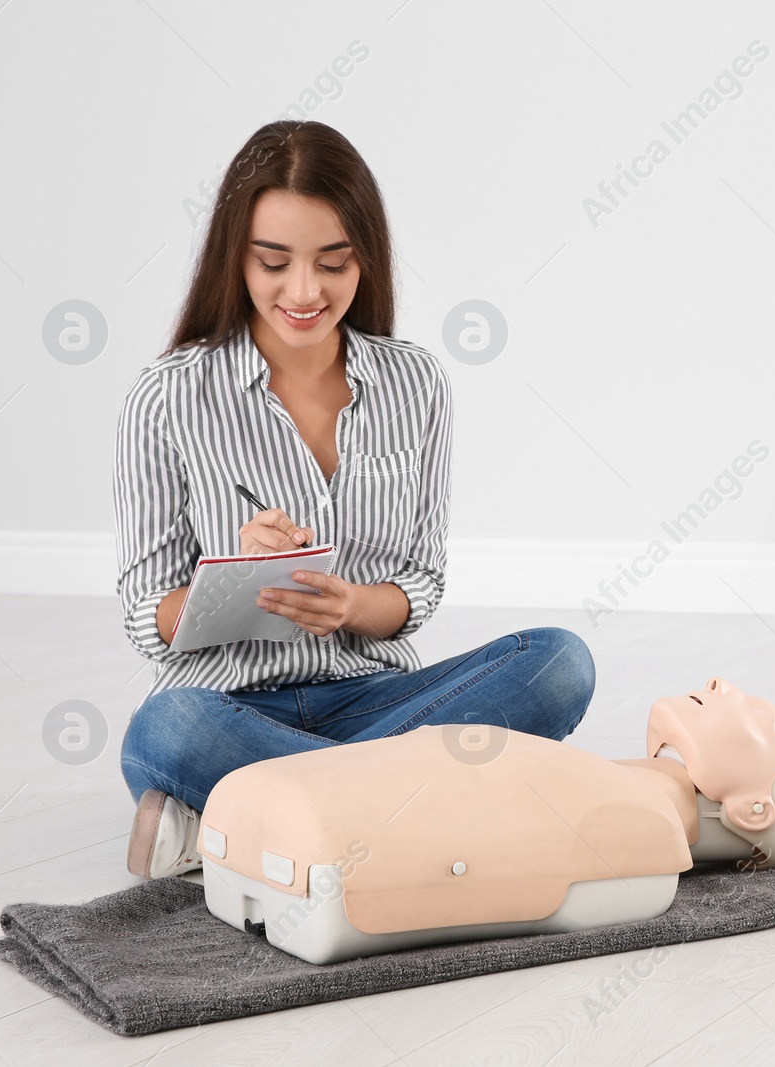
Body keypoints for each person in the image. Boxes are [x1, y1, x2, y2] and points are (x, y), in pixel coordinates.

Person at [113, 120, 594, 879]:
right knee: (166, 730)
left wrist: (351, 607)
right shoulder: (168, 395)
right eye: (274, 263)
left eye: (332, 263)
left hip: (380, 697)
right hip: (230, 706)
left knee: (559, 661)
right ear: (234, 258)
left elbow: (421, 583)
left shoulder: (415, 384)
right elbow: (146, 615)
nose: (303, 292)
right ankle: (417, 808)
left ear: (363, 258)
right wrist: (230, 573)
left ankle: (269, 815)